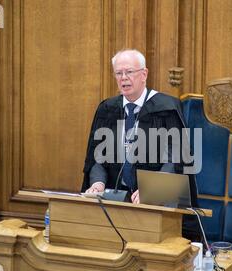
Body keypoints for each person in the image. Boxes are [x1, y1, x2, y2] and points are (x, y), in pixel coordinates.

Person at [81, 49, 198, 207]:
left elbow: (175, 160)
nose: (124, 78)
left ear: (144, 74)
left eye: (129, 72)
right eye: (118, 73)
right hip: (114, 200)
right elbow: (97, 157)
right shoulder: (107, 109)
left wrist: (152, 190)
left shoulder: (166, 108)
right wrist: (98, 183)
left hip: (157, 202)